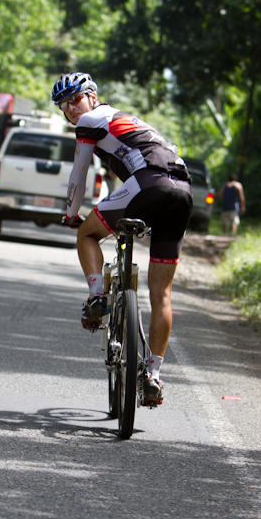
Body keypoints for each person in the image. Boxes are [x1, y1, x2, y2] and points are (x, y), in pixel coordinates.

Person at [52, 72, 192, 406]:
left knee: (87, 233)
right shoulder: (124, 120)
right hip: (183, 193)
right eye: (63, 105)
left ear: (93, 96)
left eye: (75, 99)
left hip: (149, 185)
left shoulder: (90, 121)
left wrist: (71, 214)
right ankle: (154, 375)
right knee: (162, 294)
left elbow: (79, 174)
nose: (71, 109)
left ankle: (97, 297)